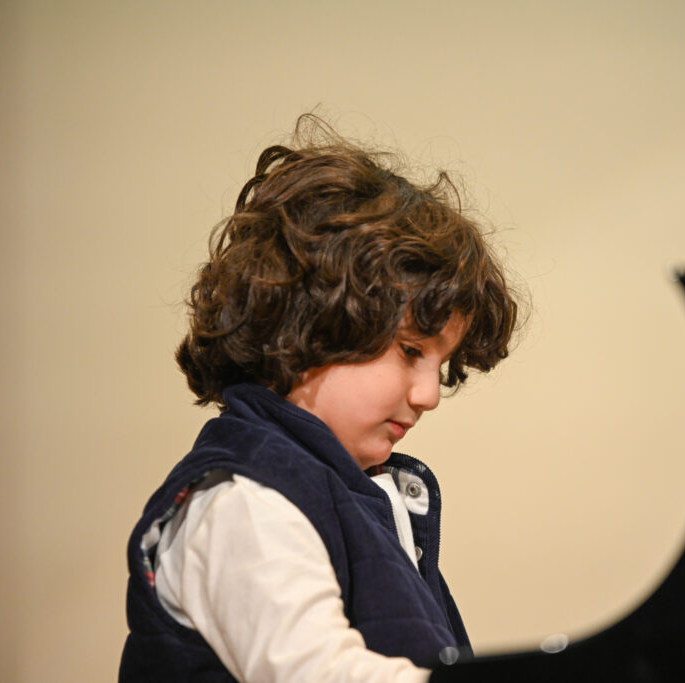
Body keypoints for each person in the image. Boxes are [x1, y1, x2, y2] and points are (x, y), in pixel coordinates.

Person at [118, 118, 519, 682]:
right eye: (410, 351)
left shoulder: (357, 494)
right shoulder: (243, 504)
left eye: (440, 365)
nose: (429, 395)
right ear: (307, 326)